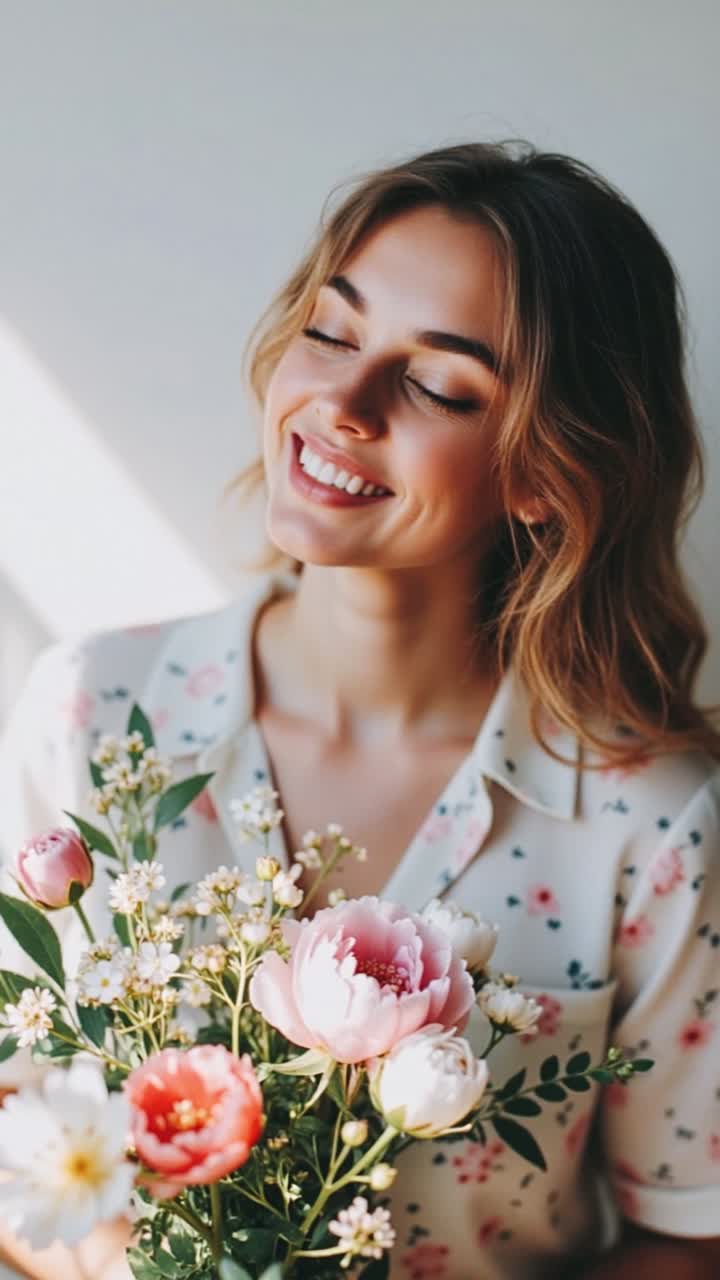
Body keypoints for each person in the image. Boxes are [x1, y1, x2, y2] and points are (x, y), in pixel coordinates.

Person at [1, 140, 719, 1280]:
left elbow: (691, 1230)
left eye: (438, 383)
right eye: (330, 331)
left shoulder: (654, 826)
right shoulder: (93, 712)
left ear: (547, 471)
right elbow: (14, 1108)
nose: (341, 401)